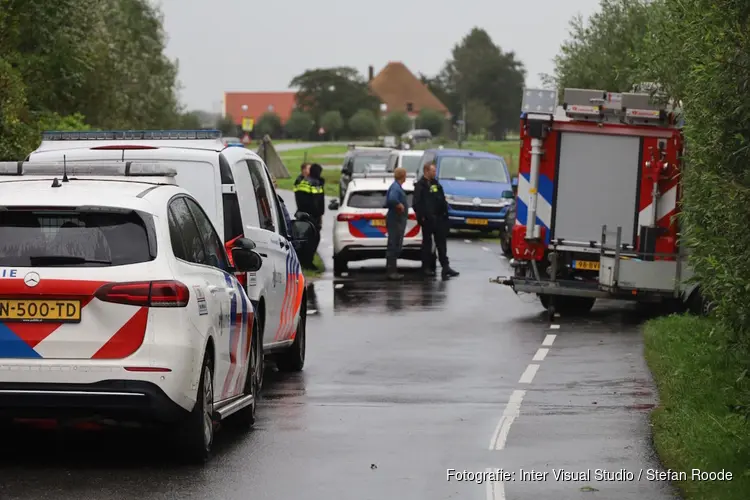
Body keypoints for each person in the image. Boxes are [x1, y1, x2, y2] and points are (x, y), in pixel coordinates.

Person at [413, 162, 460, 278]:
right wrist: (423, 216)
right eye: (433, 171)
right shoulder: (420, 185)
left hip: (439, 219)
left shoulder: (436, 184)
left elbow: (441, 200)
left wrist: (445, 215)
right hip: (427, 220)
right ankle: (426, 267)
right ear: (426, 171)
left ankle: (446, 267)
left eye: (435, 171)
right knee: (427, 245)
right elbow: (416, 204)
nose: (435, 173)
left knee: (442, 244)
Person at [384, 167, 409, 280]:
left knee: (395, 244)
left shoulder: (397, 187)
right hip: (395, 220)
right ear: (403, 176)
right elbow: (392, 199)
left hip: (397, 220)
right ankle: (391, 271)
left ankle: (392, 270)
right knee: (394, 244)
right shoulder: (395, 188)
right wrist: (400, 205)